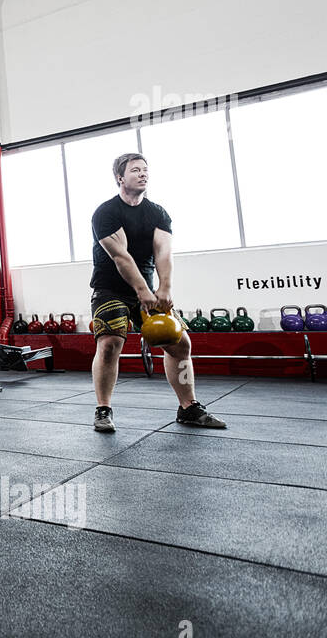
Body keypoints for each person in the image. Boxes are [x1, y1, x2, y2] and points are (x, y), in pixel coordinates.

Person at [89, 153, 226, 432]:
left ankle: (188, 408)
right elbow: (121, 257)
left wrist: (164, 288)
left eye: (145, 170)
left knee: (181, 345)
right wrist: (142, 290)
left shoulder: (157, 213)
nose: (143, 174)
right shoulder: (106, 213)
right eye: (135, 170)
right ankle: (103, 409)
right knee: (110, 343)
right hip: (110, 289)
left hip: (148, 292)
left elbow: (163, 252)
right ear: (120, 178)